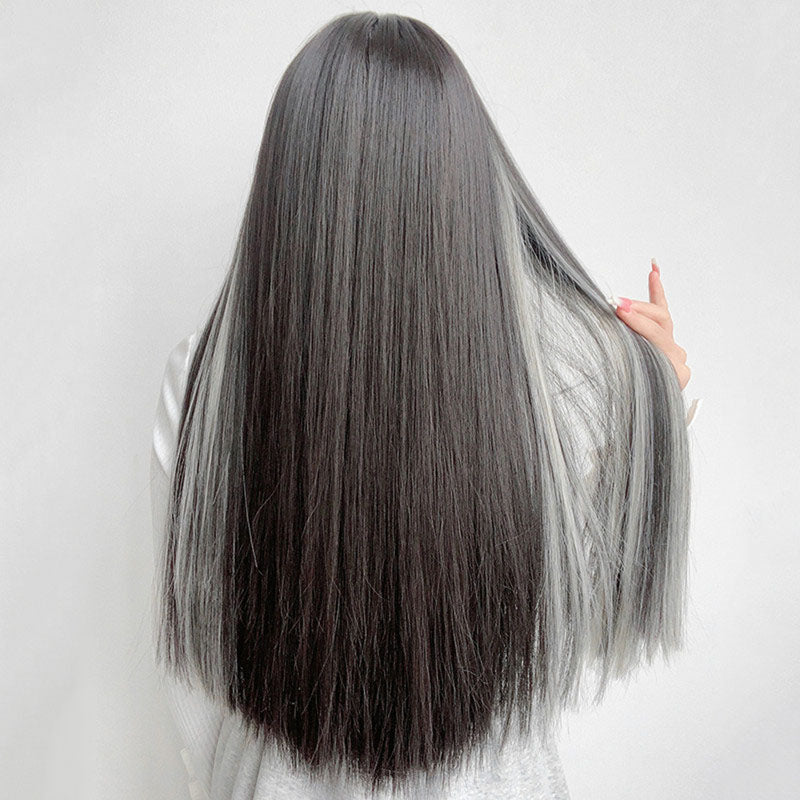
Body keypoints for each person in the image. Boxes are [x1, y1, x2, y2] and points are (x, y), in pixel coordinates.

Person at [149, 11, 701, 800]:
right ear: (466, 183)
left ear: (290, 188)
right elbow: (572, 637)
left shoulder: (200, 382)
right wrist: (658, 405)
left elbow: (199, 683)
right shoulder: (568, 388)